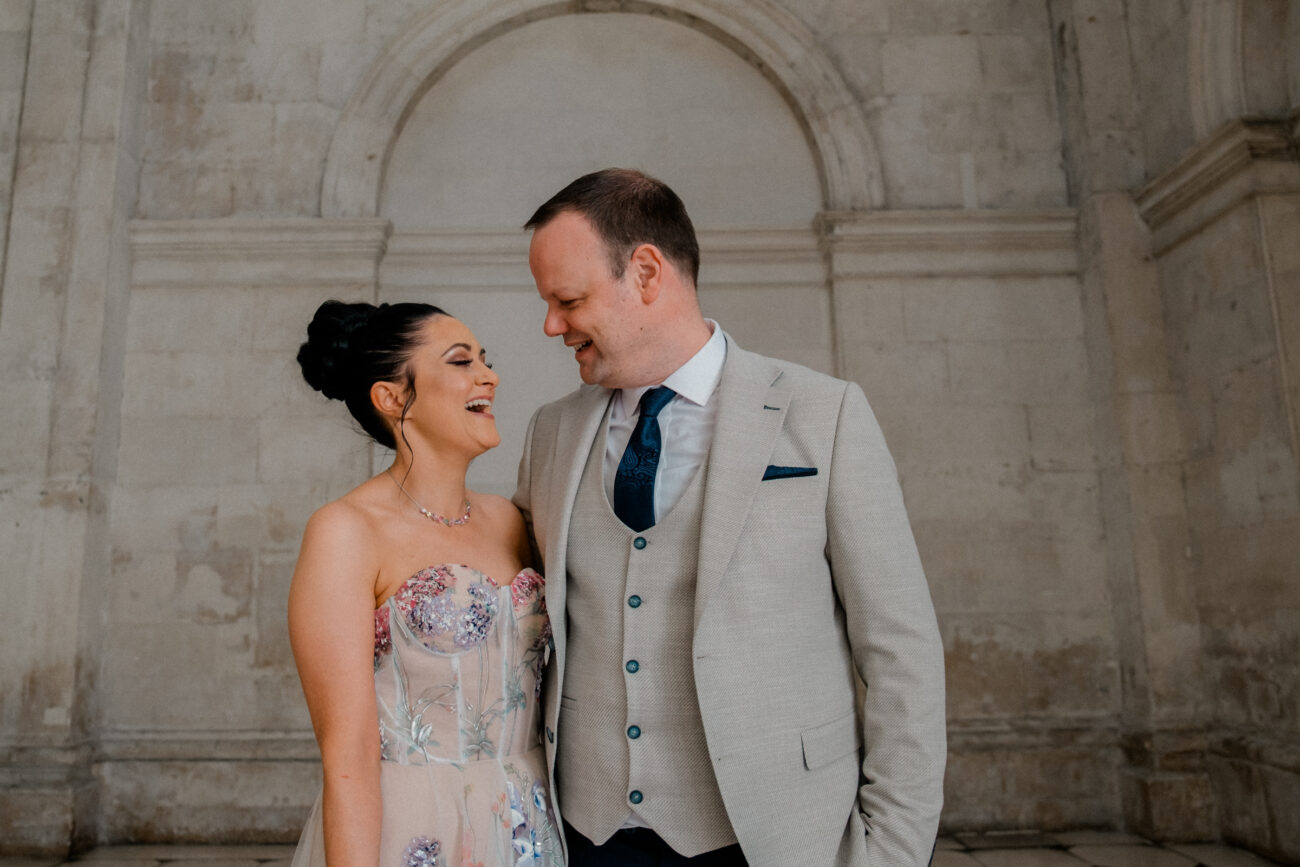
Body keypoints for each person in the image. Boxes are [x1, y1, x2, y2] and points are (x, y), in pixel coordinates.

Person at [512, 169, 946, 866]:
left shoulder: (823, 413)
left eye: (568, 299)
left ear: (647, 272)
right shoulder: (550, 433)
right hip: (586, 836)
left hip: (775, 836)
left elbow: (902, 652)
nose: (551, 324)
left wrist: (893, 849)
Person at [288, 300, 563, 867]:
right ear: (392, 398)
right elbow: (348, 756)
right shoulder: (346, 531)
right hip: (414, 829)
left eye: (485, 360)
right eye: (461, 361)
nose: (490, 376)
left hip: (530, 823)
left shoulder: (511, 521)